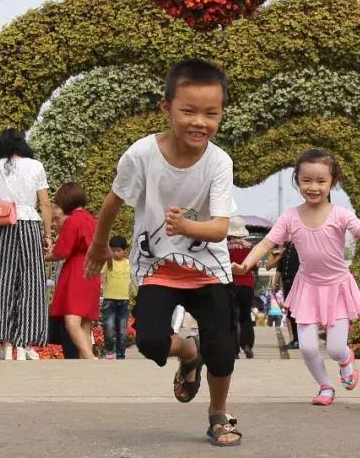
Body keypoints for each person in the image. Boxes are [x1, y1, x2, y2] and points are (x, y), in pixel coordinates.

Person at [84, 59, 242, 448]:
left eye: (211, 113)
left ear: (221, 114)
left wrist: (187, 227)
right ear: (166, 107)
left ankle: (218, 414)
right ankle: (188, 351)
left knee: (222, 350)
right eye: (188, 111)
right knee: (152, 342)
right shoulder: (141, 155)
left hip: (209, 269)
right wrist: (99, 244)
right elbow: (113, 201)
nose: (199, 122)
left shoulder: (219, 162)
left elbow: (219, 228)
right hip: (158, 268)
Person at [233, 148, 360, 406]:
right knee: (307, 347)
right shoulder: (290, 217)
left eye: (321, 181)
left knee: (335, 348)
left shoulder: (340, 214)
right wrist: (246, 264)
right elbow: (265, 244)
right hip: (307, 288)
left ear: (333, 182)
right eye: (306, 180)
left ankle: (345, 359)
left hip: (337, 287)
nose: (313, 187)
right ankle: (325, 386)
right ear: (297, 181)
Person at [0, 128, 52, 361]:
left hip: (4, 224)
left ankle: (6, 344)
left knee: (0, 282)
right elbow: (45, 203)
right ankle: (23, 344)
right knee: (31, 283)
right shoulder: (36, 166)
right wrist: (48, 235)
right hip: (30, 224)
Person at [46, 182, 102, 359]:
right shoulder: (91, 219)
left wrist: (44, 257)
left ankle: (90, 359)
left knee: (72, 320)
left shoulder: (72, 220)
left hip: (77, 269)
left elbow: (61, 251)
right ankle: (86, 361)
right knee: (85, 323)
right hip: (92, 270)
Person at [225, 217, 256, 359]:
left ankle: (233, 349)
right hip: (247, 284)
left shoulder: (225, 247)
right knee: (245, 316)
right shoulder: (250, 247)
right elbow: (255, 265)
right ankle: (247, 344)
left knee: (232, 317)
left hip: (231, 284)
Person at [101, 235, 134, 359]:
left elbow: (134, 280)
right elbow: (101, 274)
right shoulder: (109, 263)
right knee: (109, 328)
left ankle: (121, 355)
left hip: (124, 301)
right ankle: (110, 351)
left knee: (121, 330)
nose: (115, 253)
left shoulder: (129, 264)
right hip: (109, 301)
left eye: (118, 250)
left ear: (125, 251)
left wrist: (137, 294)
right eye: (113, 250)